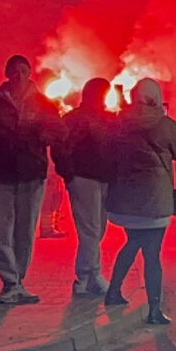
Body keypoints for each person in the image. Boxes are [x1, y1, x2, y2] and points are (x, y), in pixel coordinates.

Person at [104, 78, 176, 327]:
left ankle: (113, 291)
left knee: (133, 242)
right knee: (152, 254)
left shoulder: (119, 122)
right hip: (154, 202)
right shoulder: (164, 124)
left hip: (125, 201)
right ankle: (154, 310)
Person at [0, 55, 57, 306]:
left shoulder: (44, 103)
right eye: (14, 71)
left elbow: (56, 130)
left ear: (30, 73)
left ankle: (18, 280)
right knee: (2, 228)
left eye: (23, 71)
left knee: (25, 230)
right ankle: (9, 282)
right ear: (7, 74)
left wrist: (46, 135)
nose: (18, 76)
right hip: (0, 172)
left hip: (32, 173)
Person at [53, 78, 115, 299]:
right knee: (90, 230)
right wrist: (69, 175)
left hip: (102, 179)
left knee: (96, 230)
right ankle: (88, 277)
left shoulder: (106, 119)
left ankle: (86, 278)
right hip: (83, 178)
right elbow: (60, 148)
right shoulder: (75, 119)